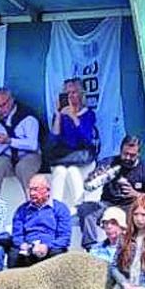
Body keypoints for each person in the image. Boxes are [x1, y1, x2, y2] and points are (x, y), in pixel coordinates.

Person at [76, 135, 145, 251]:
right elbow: (88, 185)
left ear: (138, 154)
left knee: (143, 213)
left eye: (132, 155)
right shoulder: (108, 163)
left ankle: (137, 246)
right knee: (85, 209)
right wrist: (95, 177)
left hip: (131, 205)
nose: (127, 158)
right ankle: (91, 247)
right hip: (107, 203)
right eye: (125, 154)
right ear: (120, 150)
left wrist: (135, 194)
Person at [48, 79, 99, 209]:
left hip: (81, 156)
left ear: (81, 94)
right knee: (59, 171)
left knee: (73, 172)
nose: (70, 96)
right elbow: (53, 139)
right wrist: (58, 115)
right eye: (67, 93)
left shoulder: (88, 114)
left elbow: (86, 139)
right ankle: (55, 208)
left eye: (74, 92)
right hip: (64, 157)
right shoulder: (61, 115)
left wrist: (73, 117)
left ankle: (80, 208)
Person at [0, 87, 41, 199]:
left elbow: (32, 145)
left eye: (3, 105)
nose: (0, 110)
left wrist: (9, 141)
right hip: (8, 157)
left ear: (11, 101)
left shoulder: (28, 117)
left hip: (29, 155)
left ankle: (32, 203)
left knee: (22, 167)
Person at [10, 174, 71, 268]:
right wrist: (22, 245)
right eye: (30, 189)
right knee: (14, 254)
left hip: (51, 248)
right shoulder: (22, 210)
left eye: (35, 189)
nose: (31, 193)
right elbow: (17, 235)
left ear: (47, 190)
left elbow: (64, 237)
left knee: (58, 254)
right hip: (29, 247)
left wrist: (47, 246)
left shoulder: (60, 208)